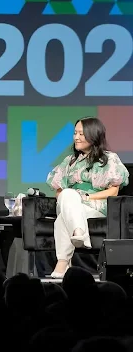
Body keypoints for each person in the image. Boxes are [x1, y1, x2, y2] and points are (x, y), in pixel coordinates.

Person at [46, 117, 129, 278]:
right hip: (71, 202)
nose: (76, 137)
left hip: (95, 204)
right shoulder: (69, 161)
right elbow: (58, 189)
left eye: (81, 134)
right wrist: (69, 197)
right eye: (75, 133)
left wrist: (88, 196)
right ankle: (79, 231)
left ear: (94, 135)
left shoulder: (109, 159)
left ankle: (62, 263)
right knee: (68, 194)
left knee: (62, 219)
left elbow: (114, 191)